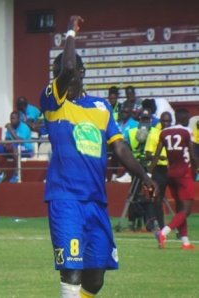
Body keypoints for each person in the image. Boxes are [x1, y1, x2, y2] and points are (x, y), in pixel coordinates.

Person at [40, 15, 156, 297]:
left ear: (83, 73)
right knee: (72, 270)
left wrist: (144, 176)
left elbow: (120, 148)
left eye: (70, 72)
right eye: (59, 74)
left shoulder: (102, 107)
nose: (64, 76)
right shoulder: (52, 103)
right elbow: (66, 66)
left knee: (95, 277)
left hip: (96, 201)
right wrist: (70, 32)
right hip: (66, 199)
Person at [150, 108, 198, 250]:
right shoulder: (186, 131)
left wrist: (148, 174)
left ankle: (185, 241)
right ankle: (163, 232)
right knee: (186, 210)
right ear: (184, 119)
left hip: (170, 173)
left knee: (180, 208)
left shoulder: (164, 133)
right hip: (184, 173)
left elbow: (157, 154)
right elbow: (192, 153)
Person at [145, 111, 172, 230]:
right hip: (158, 169)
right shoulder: (154, 133)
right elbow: (148, 154)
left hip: (171, 168)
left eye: (168, 121)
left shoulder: (173, 133)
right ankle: (160, 226)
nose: (166, 123)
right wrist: (159, 157)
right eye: (164, 121)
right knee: (156, 198)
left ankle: (175, 226)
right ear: (160, 121)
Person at [0, 111, 34, 183]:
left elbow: (19, 141)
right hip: (12, 148)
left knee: (14, 145)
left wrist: (10, 129)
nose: (12, 120)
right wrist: (5, 144)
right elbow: (7, 139)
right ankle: (0, 173)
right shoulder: (10, 126)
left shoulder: (24, 128)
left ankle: (17, 173)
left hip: (26, 149)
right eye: (11, 118)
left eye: (14, 118)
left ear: (18, 119)